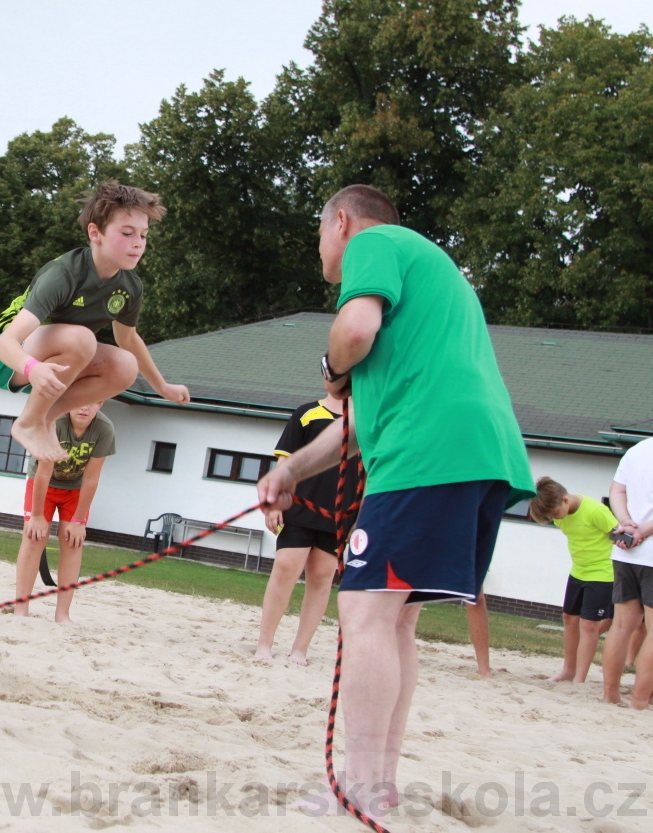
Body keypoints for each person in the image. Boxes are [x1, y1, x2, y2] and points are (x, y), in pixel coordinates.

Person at [257, 185, 533, 819]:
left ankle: (358, 787)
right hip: (476, 453)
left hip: (427, 452)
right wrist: (292, 469)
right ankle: (377, 783)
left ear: (343, 223)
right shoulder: (432, 283)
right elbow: (356, 425)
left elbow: (354, 328)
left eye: (322, 235)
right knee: (394, 616)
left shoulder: (376, 243)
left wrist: (331, 361)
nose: (322, 251)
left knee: (365, 611)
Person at [0, 182, 189, 463]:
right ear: (95, 233)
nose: (138, 243)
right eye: (127, 233)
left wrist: (162, 387)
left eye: (143, 234)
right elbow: (4, 344)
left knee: (125, 365)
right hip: (9, 357)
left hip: (58, 366)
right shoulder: (64, 274)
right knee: (83, 339)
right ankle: (28, 422)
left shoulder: (129, 286)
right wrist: (32, 368)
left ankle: (46, 419)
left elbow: (128, 339)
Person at [256, 393, 357, 665]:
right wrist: (275, 504)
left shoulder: (367, 420)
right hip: (299, 507)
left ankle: (300, 649)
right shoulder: (307, 413)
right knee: (286, 567)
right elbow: (285, 462)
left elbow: (369, 474)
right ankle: (264, 644)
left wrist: (360, 519)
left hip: (340, 514)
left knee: (322, 577)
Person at [13, 402, 114, 623]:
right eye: (81, 400)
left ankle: (62, 614)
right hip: (43, 484)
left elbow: (91, 478)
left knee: (72, 543)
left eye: (92, 402)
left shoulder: (104, 429)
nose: (84, 407)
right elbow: (44, 472)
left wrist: (79, 520)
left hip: (76, 489)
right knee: (33, 538)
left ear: (101, 404)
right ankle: (21, 609)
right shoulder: (55, 422)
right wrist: (37, 516)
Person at [527, 477, 617, 683]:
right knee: (569, 619)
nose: (554, 518)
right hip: (578, 571)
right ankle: (568, 670)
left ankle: (580, 679)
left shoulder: (595, 511)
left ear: (565, 500)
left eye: (554, 513)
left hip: (603, 573)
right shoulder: (559, 515)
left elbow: (620, 537)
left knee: (589, 626)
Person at [602, 437, 653, 709]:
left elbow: (617, 491)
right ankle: (640, 699)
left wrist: (625, 523)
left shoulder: (638, 450)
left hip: (626, 549)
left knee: (621, 626)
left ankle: (610, 694)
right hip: (648, 550)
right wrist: (643, 530)